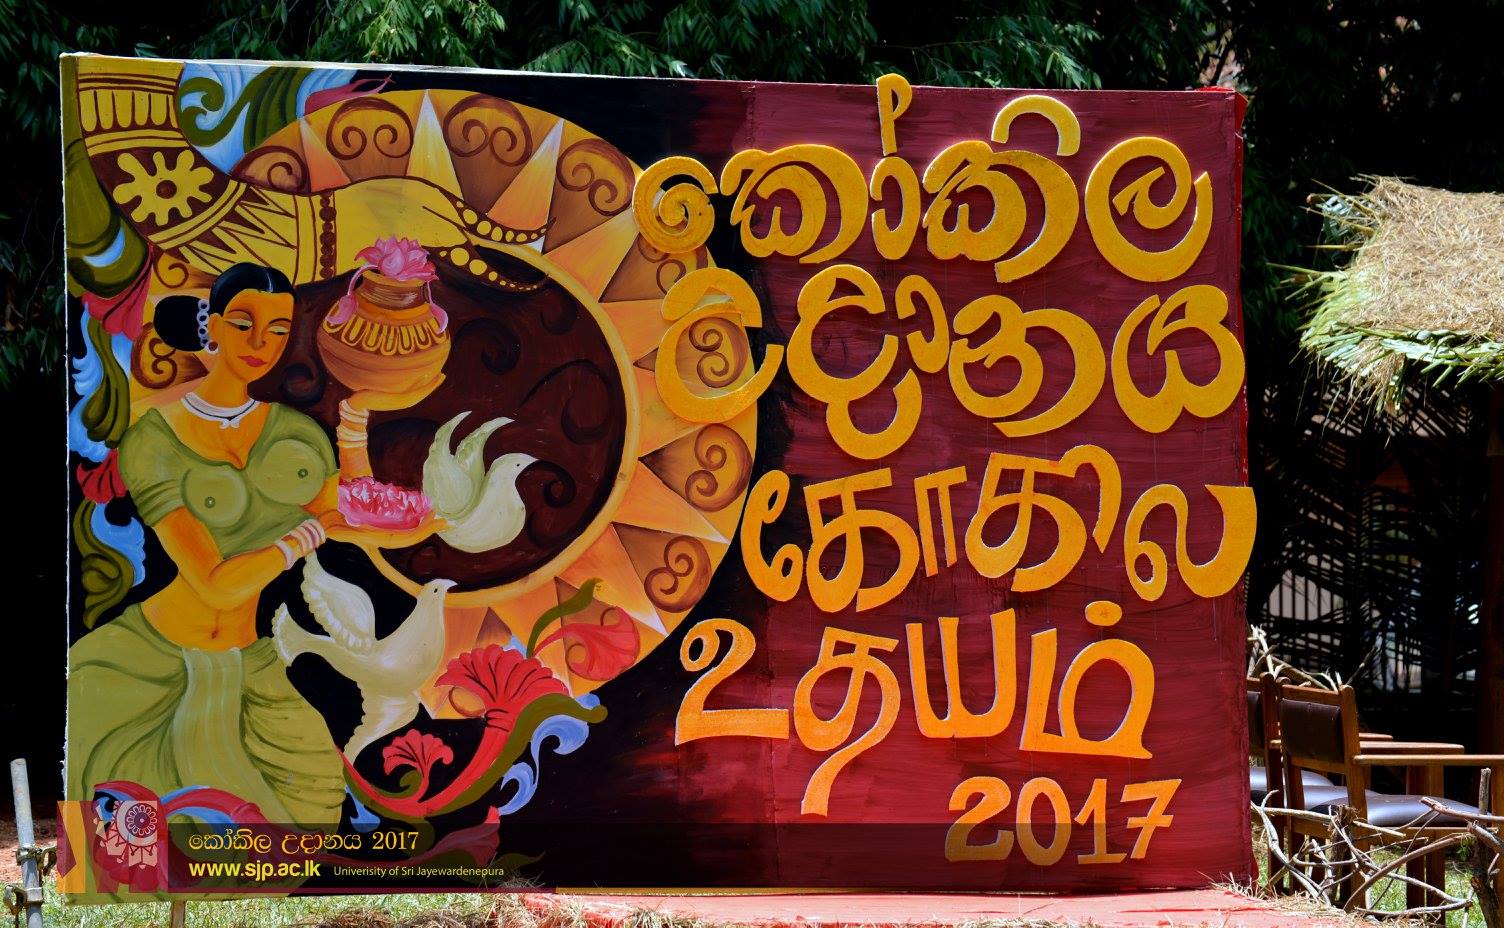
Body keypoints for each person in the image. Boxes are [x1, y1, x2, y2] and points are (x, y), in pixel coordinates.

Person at [66, 262, 443, 828]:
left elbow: (351, 513)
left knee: (311, 809)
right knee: (134, 838)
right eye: (243, 323)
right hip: (148, 661)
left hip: (251, 664)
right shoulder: (155, 438)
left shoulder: (296, 432)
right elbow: (216, 585)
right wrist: (305, 535)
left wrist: (357, 418)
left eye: (278, 328)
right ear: (212, 325)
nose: (261, 343)